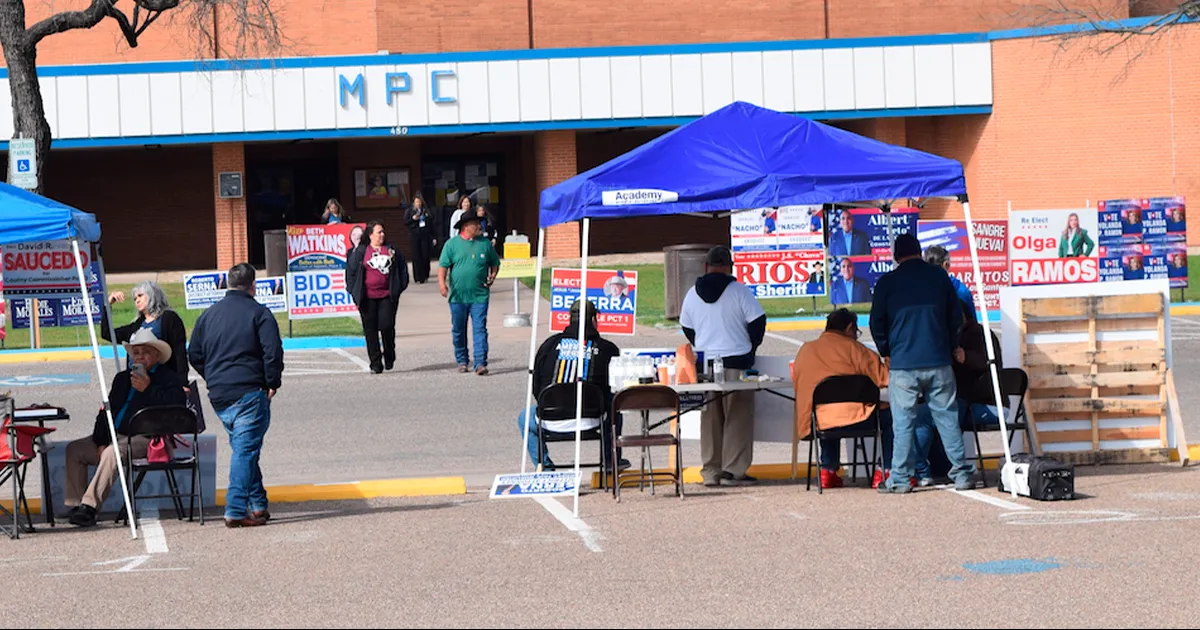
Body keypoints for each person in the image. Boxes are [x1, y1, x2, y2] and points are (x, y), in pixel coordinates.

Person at [870, 233, 974, 494]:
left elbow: (876, 323)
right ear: (919, 252)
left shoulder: (887, 282)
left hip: (903, 362)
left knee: (903, 422)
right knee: (947, 419)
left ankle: (902, 480)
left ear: (896, 256)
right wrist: (952, 345)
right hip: (939, 359)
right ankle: (961, 474)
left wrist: (886, 350)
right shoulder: (939, 277)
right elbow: (955, 317)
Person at [188, 263, 284, 528]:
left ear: (228, 284)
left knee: (245, 449)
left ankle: (259, 504)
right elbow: (272, 351)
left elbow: (194, 354)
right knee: (245, 452)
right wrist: (272, 382)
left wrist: (213, 377)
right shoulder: (259, 313)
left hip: (219, 395)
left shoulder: (208, 315)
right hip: (249, 392)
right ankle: (235, 509)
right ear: (253, 286)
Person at [64, 329, 186, 527]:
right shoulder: (122, 379)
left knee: (113, 453)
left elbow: (176, 408)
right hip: (115, 435)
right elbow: (106, 412)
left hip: (146, 438)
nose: (139, 357)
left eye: (145, 352)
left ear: (156, 355)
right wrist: (101, 440)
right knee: (75, 449)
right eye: (136, 353)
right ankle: (76, 505)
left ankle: (90, 507)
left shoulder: (167, 378)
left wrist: (148, 389)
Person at [679, 246, 767, 487]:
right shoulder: (740, 291)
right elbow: (758, 322)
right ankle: (734, 470)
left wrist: (701, 343)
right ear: (730, 266)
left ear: (706, 266)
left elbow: (686, 325)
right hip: (737, 361)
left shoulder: (692, 294)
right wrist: (751, 347)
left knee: (710, 419)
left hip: (706, 364)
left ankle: (711, 471)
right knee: (737, 417)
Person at [517, 300, 627, 471]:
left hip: (550, 418)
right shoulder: (607, 349)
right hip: (592, 418)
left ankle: (544, 467)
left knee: (525, 418)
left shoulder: (549, 345)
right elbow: (614, 386)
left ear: (570, 319)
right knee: (614, 405)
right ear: (593, 320)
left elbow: (536, 387)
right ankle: (610, 461)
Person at [792, 309, 892, 489]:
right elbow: (885, 378)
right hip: (860, 419)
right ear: (849, 328)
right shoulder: (857, 349)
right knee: (893, 417)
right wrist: (889, 358)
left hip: (819, 421)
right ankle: (884, 470)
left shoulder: (806, 350)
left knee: (825, 409)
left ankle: (828, 470)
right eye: (856, 332)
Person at [909, 299, 1003, 486]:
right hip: (967, 400)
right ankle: (940, 469)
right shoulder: (958, 335)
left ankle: (921, 471)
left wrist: (965, 357)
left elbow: (989, 361)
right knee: (932, 413)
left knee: (921, 417)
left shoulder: (977, 334)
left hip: (978, 403)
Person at [439, 212, 500, 375]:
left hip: (479, 295)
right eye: (476, 224)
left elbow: (495, 263)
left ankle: (480, 363)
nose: (480, 227)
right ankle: (462, 360)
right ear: (466, 227)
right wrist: (442, 285)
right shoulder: (451, 245)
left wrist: (492, 276)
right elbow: (443, 266)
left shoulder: (485, 244)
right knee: (459, 330)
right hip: (458, 297)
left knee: (480, 329)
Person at [346, 221, 410, 373]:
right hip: (366, 297)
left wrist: (398, 287)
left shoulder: (391, 250)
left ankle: (389, 354)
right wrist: (354, 291)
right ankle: (375, 363)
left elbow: (402, 269)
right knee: (370, 330)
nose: (382, 235)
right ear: (370, 235)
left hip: (387, 296)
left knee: (387, 326)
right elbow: (351, 273)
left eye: (383, 232)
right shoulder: (360, 252)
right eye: (378, 232)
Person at [101, 280, 189, 379]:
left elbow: (179, 351)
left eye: (140, 295)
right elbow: (107, 333)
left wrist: (183, 382)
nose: (137, 300)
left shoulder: (168, 318)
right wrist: (108, 305)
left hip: (161, 381)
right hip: (136, 380)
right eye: (135, 299)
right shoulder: (137, 325)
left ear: (152, 294)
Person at [404, 196, 436, 284]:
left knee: (425, 255)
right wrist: (413, 219)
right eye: (417, 202)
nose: (418, 203)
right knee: (416, 256)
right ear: (413, 203)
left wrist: (433, 236)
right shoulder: (410, 211)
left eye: (419, 202)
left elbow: (431, 223)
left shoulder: (425, 211)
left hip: (425, 235)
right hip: (414, 235)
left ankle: (425, 274)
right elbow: (406, 222)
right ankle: (418, 277)